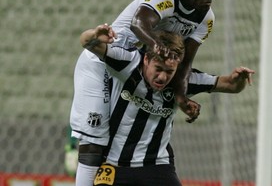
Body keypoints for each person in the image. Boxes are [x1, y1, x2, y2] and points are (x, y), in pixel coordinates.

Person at [69, 0, 223, 186]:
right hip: (102, 60)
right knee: (95, 138)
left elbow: (185, 65)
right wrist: (155, 46)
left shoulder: (206, 18)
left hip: (135, 70)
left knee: (119, 138)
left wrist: (182, 98)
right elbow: (138, 23)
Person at [81, 23, 254, 185]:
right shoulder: (127, 63)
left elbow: (231, 86)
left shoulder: (183, 81)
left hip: (157, 166)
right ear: (147, 59)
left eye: (169, 71)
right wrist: (95, 35)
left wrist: (237, 79)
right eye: (159, 69)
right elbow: (87, 42)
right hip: (115, 166)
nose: (163, 77)